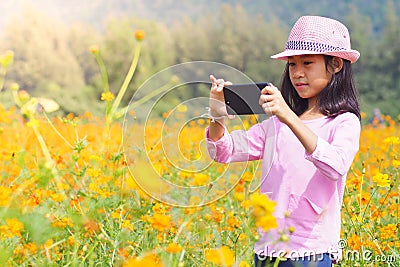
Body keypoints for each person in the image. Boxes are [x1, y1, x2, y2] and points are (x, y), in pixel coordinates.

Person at [206, 15, 361, 267]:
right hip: (267, 250)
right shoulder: (275, 125)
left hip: (312, 252)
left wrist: (288, 116)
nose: (297, 73)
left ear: (335, 65)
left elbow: (335, 166)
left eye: (307, 63)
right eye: (291, 64)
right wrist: (217, 115)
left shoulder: (343, 122)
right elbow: (224, 151)